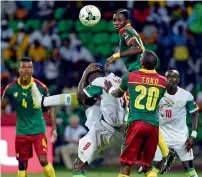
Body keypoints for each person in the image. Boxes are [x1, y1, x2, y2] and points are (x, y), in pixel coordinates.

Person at [106, 8, 175, 173]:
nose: (116, 23)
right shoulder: (129, 29)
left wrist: (115, 56)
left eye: (119, 20)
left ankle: (163, 153)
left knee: (136, 113)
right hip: (147, 77)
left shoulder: (125, 30)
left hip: (138, 75)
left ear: (126, 20)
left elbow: (137, 49)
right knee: (147, 115)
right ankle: (165, 153)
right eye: (114, 20)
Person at [32, 63, 126, 177]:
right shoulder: (116, 79)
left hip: (104, 130)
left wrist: (85, 72)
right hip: (113, 124)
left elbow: (78, 95)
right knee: (87, 100)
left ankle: (43, 101)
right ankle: (44, 101)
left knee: (78, 166)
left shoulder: (98, 83)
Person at [104, 50, 167, 177]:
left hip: (136, 122)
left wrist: (109, 88)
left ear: (142, 62)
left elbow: (118, 94)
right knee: (147, 165)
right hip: (153, 125)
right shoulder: (163, 81)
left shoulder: (130, 76)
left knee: (126, 164)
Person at [1, 57, 57, 177]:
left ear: (32, 70)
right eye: (23, 67)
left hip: (38, 130)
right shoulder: (11, 89)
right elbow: (2, 107)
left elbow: (51, 107)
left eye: (29, 67)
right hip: (21, 131)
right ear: (19, 69)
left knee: (43, 160)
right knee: (22, 165)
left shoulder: (40, 87)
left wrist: (54, 129)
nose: (26, 70)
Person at [153, 68, 200, 177]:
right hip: (162, 135)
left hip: (181, 136)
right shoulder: (158, 93)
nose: (170, 79)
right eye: (168, 76)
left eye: (173, 76)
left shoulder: (186, 95)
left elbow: (195, 114)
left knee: (188, 166)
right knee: (156, 164)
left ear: (178, 79)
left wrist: (193, 136)